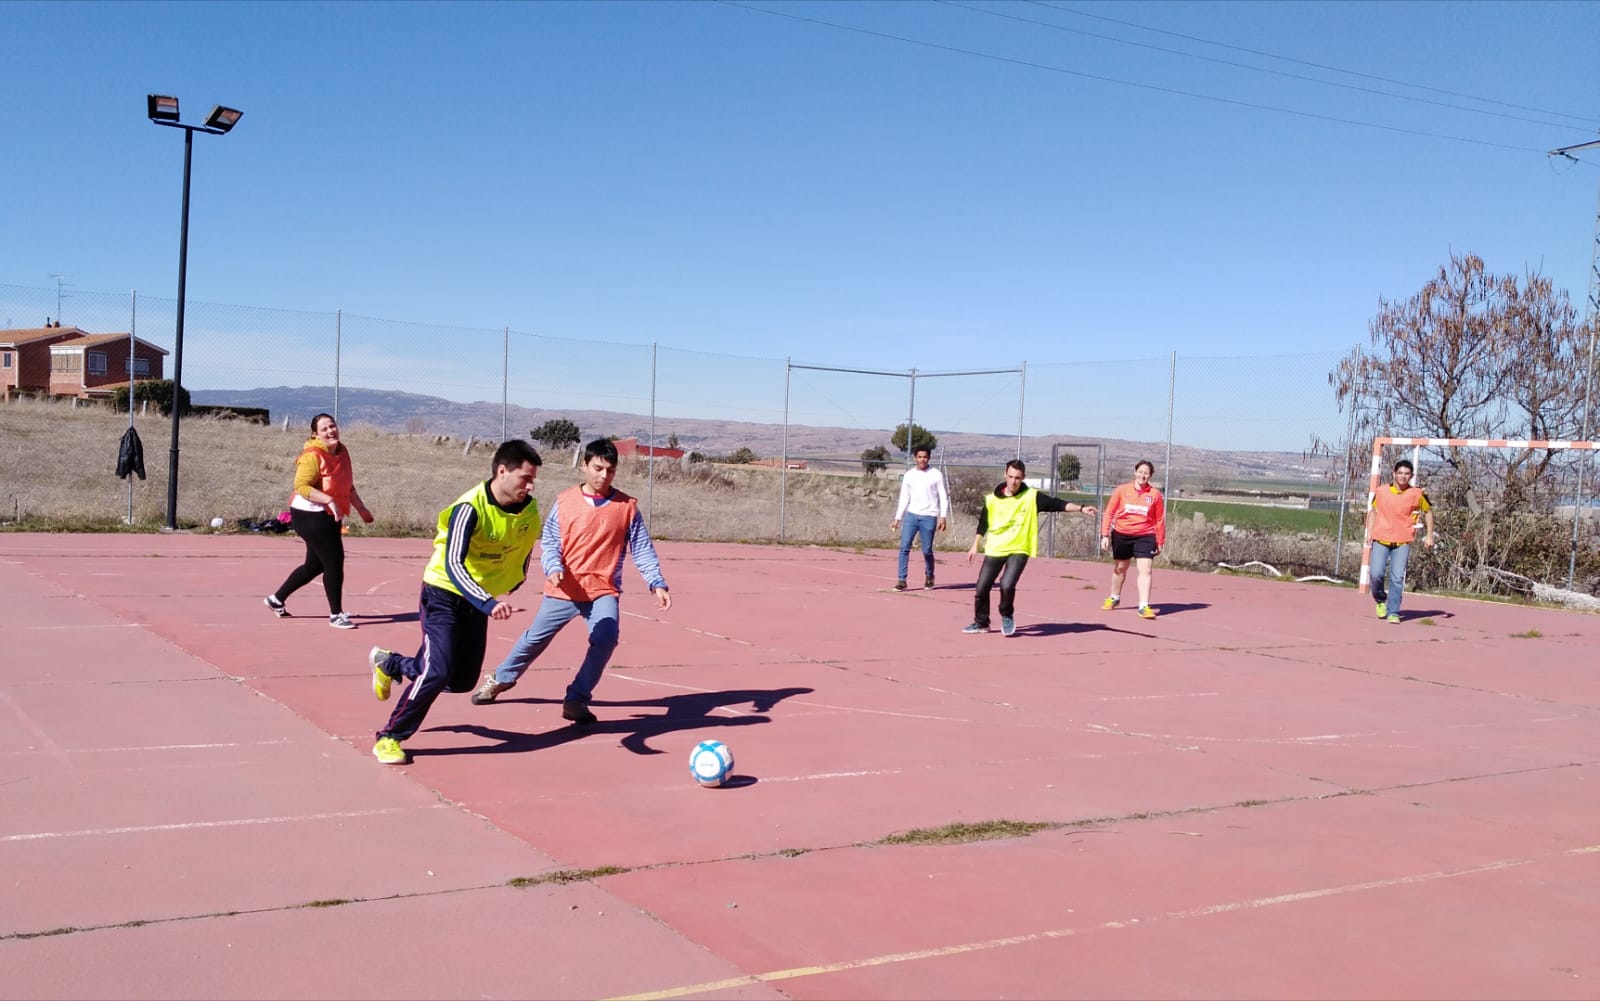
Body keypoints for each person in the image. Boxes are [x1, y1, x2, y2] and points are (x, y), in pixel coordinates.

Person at [366, 440, 544, 765]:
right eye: (524, 478)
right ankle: (390, 736)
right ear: (502, 472)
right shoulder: (469, 507)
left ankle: (390, 664)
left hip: (477, 599)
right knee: (437, 671)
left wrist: (516, 578)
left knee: (460, 680)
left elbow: (525, 545)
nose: (529, 486)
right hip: (444, 593)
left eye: (533, 480)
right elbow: (453, 564)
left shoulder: (528, 509)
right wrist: (488, 603)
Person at [471, 438, 671, 724]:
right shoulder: (565, 501)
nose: (604, 476)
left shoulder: (626, 507)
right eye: (598, 468)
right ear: (584, 466)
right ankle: (501, 678)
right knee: (534, 639)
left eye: (610, 470)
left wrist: (657, 583)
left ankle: (576, 699)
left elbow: (641, 548)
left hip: (602, 590)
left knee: (606, 638)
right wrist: (552, 567)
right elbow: (551, 541)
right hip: (564, 588)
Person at [264, 413, 373, 629]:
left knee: (314, 566)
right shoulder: (312, 455)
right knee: (334, 560)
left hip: (330, 513)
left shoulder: (342, 451)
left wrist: (361, 508)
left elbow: (346, 485)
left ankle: (276, 599)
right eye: (324, 429)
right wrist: (328, 499)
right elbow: (302, 487)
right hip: (308, 514)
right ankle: (336, 615)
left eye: (332, 426)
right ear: (316, 434)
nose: (330, 431)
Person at [964, 459, 1096, 637]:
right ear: (1005, 475)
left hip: (1019, 548)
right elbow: (983, 524)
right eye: (1010, 477)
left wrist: (1080, 508)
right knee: (981, 587)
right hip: (996, 547)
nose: (1013, 481)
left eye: (1017, 478)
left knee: (1007, 584)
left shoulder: (1032, 497)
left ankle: (1006, 615)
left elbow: (1057, 504)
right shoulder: (991, 499)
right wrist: (975, 545)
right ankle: (981, 622)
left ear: (1023, 477)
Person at [1366, 458, 1434, 624]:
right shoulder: (1381, 491)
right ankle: (1381, 599)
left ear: (1411, 476)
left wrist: (1430, 535)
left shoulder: (1417, 494)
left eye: (1407, 474)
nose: (1403, 476)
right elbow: (1373, 511)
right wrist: (1369, 531)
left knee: (1397, 578)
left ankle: (1393, 611)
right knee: (1376, 575)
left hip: (1402, 540)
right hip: (1381, 538)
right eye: (1400, 473)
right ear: (1394, 474)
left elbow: (1429, 512)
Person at [1099, 459, 1166, 620]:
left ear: (1150, 476)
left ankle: (1144, 606)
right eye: (1140, 472)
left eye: (1146, 473)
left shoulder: (1155, 495)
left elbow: (1159, 520)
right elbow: (1109, 512)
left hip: (1145, 536)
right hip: (1122, 534)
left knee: (1146, 569)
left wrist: (1160, 540)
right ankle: (1114, 597)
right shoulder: (1122, 491)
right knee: (1120, 568)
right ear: (1135, 472)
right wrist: (1105, 534)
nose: (1143, 475)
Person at [891, 446, 950, 590]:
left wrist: (942, 516)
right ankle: (901, 580)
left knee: (927, 550)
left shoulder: (936, 474)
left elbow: (943, 496)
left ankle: (930, 576)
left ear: (928, 458)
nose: (922, 460)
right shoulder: (909, 475)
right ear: (915, 458)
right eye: (919, 457)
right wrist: (898, 517)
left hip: (929, 516)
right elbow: (904, 497)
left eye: (925, 457)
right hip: (911, 515)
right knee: (904, 547)